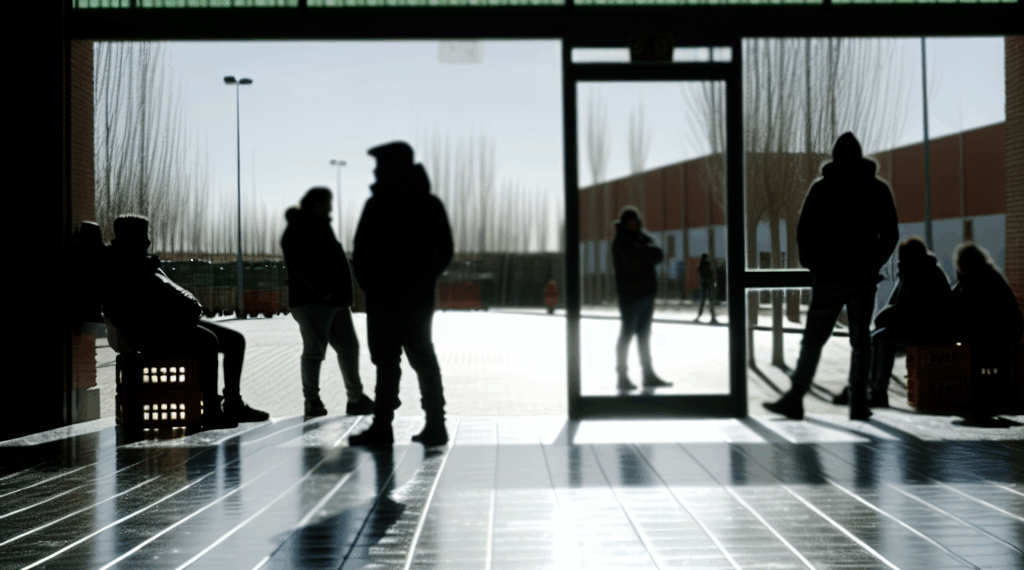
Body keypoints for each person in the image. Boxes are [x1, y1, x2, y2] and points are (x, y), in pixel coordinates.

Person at [763, 132, 898, 421]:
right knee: (861, 342)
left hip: (829, 277)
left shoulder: (822, 188)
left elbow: (804, 231)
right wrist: (871, 265)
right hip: (862, 279)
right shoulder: (877, 189)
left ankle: (796, 396)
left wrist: (816, 265)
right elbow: (890, 235)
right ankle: (858, 403)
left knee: (813, 339)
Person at [101, 215, 269, 430]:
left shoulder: (141, 263)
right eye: (144, 235)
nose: (148, 241)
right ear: (131, 238)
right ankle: (211, 409)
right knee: (207, 341)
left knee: (235, 340)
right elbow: (142, 309)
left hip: (169, 324)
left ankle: (233, 403)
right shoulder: (123, 267)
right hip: (151, 333)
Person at [348, 141, 454, 446]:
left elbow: (361, 250)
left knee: (387, 361)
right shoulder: (429, 204)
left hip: (386, 297)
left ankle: (383, 427)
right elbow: (445, 249)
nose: (376, 171)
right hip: (417, 296)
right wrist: (424, 278)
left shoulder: (378, 204)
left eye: (381, 165)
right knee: (423, 357)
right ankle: (436, 424)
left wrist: (371, 284)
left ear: (392, 167)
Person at [281, 187, 375, 419]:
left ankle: (355, 399)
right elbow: (299, 264)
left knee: (349, 347)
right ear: (316, 204)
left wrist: (337, 295)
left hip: (336, 302)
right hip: (313, 301)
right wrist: (323, 292)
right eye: (327, 203)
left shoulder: (320, 225)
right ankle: (311, 401)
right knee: (314, 351)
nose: (330, 207)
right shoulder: (299, 227)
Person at [836, 236, 953, 408]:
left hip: (931, 332)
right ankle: (864, 387)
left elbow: (912, 310)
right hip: (918, 328)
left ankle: (877, 391)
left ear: (912, 258)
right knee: (874, 337)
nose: (899, 262)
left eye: (902, 258)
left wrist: (887, 316)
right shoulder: (912, 273)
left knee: (883, 339)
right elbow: (897, 306)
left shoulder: (927, 275)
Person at [950, 242, 1024, 420]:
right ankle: (991, 399)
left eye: (961, 263)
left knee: (976, 350)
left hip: (999, 332)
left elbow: (977, 313)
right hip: (999, 330)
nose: (960, 267)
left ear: (968, 263)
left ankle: (985, 399)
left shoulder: (982, 280)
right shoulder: (979, 277)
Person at [612, 206, 672, 391]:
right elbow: (636, 257)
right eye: (633, 221)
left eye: (638, 221)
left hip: (646, 294)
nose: (637, 224)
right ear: (626, 223)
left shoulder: (640, 238)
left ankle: (648, 375)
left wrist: (644, 252)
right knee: (627, 335)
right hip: (630, 296)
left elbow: (658, 254)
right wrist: (646, 253)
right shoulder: (621, 241)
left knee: (644, 336)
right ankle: (622, 377)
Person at [694, 253, 718, 324]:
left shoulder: (703, 264)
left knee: (703, 302)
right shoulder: (707, 265)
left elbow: (701, 272)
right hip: (708, 285)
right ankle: (713, 317)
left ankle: (699, 316)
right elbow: (710, 274)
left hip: (704, 286)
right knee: (710, 302)